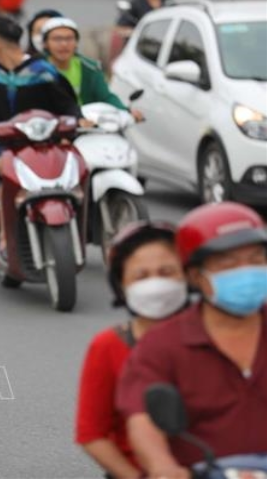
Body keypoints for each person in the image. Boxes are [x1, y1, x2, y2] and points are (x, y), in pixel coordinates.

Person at [117, 202, 267, 479]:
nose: (246, 271)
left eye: (257, 260)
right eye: (228, 263)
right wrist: (163, 467)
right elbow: (142, 420)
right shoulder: (162, 345)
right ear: (196, 276)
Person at [76, 221, 188, 479]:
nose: (156, 283)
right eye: (141, 276)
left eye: (166, 271)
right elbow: (91, 434)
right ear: (122, 285)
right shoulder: (108, 346)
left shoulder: (212, 335)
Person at [0, 16, 80, 254]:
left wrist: (78, 119)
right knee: (6, 171)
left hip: (44, 144)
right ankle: (5, 236)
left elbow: (67, 104)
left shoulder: (42, 71)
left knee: (77, 169)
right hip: (3, 146)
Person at [40, 16, 143, 120]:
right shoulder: (35, 70)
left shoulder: (90, 67)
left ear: (76, 42)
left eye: (69, 38)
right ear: (45, 43)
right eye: (57, 39)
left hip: (86, 125)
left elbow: (105, 97)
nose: (64, 44)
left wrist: (125, 111)